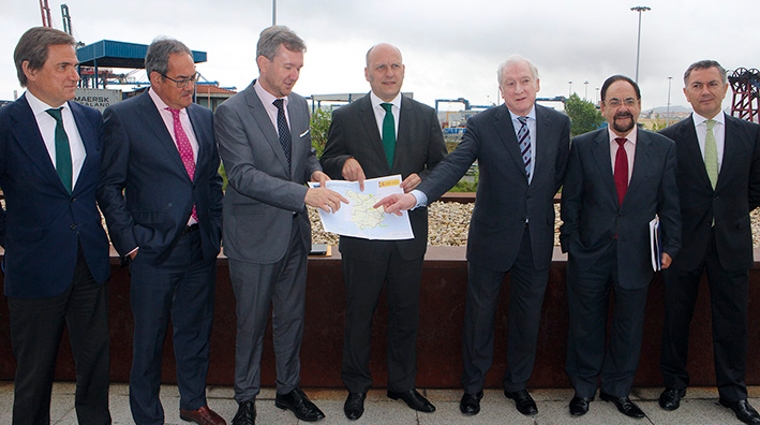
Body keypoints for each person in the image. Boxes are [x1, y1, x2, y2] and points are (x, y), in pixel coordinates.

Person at [373, 55, 570, 417]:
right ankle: (473, 388)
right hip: (491, 238)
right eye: (510, 83)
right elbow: (453, 165)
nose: (518, 89)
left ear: (538, 84)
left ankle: (518, 386)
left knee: (528, 318)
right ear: (501, 90)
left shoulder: (559, 124)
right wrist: (416, 197)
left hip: (537, 239)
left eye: (525, 81)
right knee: (479, 317)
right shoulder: (483, 124)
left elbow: (556, 174)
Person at [214, 26, 346, 425]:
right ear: (263, 63)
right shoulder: (231, 112)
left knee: (291, 318)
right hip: (252, 237)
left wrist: (318, 173)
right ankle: (246, 399)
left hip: (293, 235)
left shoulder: (300, 106)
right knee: (251, 323)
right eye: (288, 67)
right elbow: (241, 175)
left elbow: (305, 157)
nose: (294, 75)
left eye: (299, 68)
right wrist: (304, 196)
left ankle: (288, 390)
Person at [97, 37, 225, 425]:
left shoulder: (204, 118)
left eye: (194, 77)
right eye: (181, 79)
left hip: (198, 248)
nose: (190, 86)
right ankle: (148, 416)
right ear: (156, 78)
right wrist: (130, 244)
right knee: (148, 342)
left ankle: (193, 403)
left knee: (195, 333)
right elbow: (108, 187)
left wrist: (214, 230)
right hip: (151, 252)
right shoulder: (124, 117)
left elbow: (210, 182)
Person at [320, 43, 447, 420]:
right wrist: (344, 163)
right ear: (367, 74)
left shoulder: (425, 116)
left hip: (408, 234)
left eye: (394, 66)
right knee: (359, 313)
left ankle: (403, 385)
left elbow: (441, 168)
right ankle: (356, 387)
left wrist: (420, 179)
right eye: (380, 67)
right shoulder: (345, 116)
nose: (388, 73)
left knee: (406, 313)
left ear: (404, 71)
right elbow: (327, 158)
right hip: (362, 236)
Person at [0, 26, 111, 425]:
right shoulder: (6, 124)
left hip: (89, 264)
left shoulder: (90, 120)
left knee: (96, 368)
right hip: (33, 269)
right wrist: (14, 237)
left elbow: (101, 189)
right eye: (63, 66)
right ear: (29, 69)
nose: (74, 76)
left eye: (75, 66)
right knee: (34, 375)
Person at [560, 75, 681, 419]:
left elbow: (670, 203)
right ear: (602, 108)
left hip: (638, 254)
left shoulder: (663, 149)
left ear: (639, 106)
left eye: (629, 101)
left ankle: (618, 389)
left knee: (629, 327)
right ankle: (583, 390)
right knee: (585, 325)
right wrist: (571, 242)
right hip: (589, 253)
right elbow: (572, 200)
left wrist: (670, 245)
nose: (622, 109)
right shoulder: (583, 146)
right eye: (614, 102)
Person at [658, 60, 760, 425]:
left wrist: (728, 211)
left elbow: (755, 186)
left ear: (725, 88)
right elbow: (665, 193)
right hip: (684, 243)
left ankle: (733, 394)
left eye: (712, 84)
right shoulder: (670, 138)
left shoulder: (751, 134)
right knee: (676, 318)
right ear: (686, 92)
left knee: (733, 322)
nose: (706, 91)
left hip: (731, 244)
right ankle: (673, 385)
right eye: (698, 85)